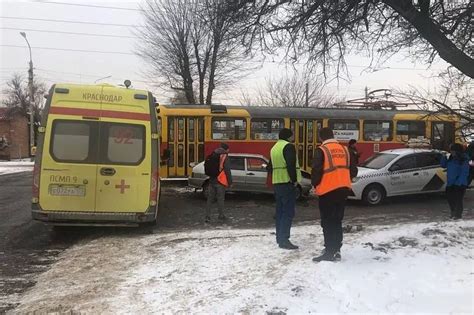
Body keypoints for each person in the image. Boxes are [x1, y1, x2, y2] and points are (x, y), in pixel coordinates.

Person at [311, 128, 358, 262]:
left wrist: (315, 185)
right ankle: (337, 249)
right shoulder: (345, 150)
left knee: (327, 221)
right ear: (333, 136)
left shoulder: (322, 150)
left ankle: (329, 251)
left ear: (321, 138)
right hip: (343, 190)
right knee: (337, 220)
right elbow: (353, 171)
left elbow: (316, 170)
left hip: (327, 190)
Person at [268, 128, 301, 250]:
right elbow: (291, 165)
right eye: (292, 135)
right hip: (287, 183)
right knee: (288, 212)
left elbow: (269, 167)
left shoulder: (274, 148)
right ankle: (284, 239)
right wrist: (293, 180)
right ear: (288, 136)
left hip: (277, 183)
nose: (293, 137)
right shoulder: (288, 147)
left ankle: (279, 238)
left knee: (280, 212)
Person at [441, 143, 470, 220]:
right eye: (451, 151)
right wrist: (444, 157)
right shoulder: (451, 158)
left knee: (458, 200)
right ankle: (453, 212)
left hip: (460, 184)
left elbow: (464, 172)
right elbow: (443, 165)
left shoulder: (464, 159)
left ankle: (458, 215)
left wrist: (459, 183)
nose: (451, 152)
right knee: (450, 199)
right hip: (450, 182)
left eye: (453, 151)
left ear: (457, 151)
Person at [205, 143, 232, 223]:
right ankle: (221, 215)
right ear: (226, 149)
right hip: (220, 181)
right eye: (228, 149)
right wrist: (230, 182)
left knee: (210, 199)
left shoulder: (213, 154)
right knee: (220, 199)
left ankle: (207, 216)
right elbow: (227, 170)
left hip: (211, 180)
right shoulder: (224, 156)